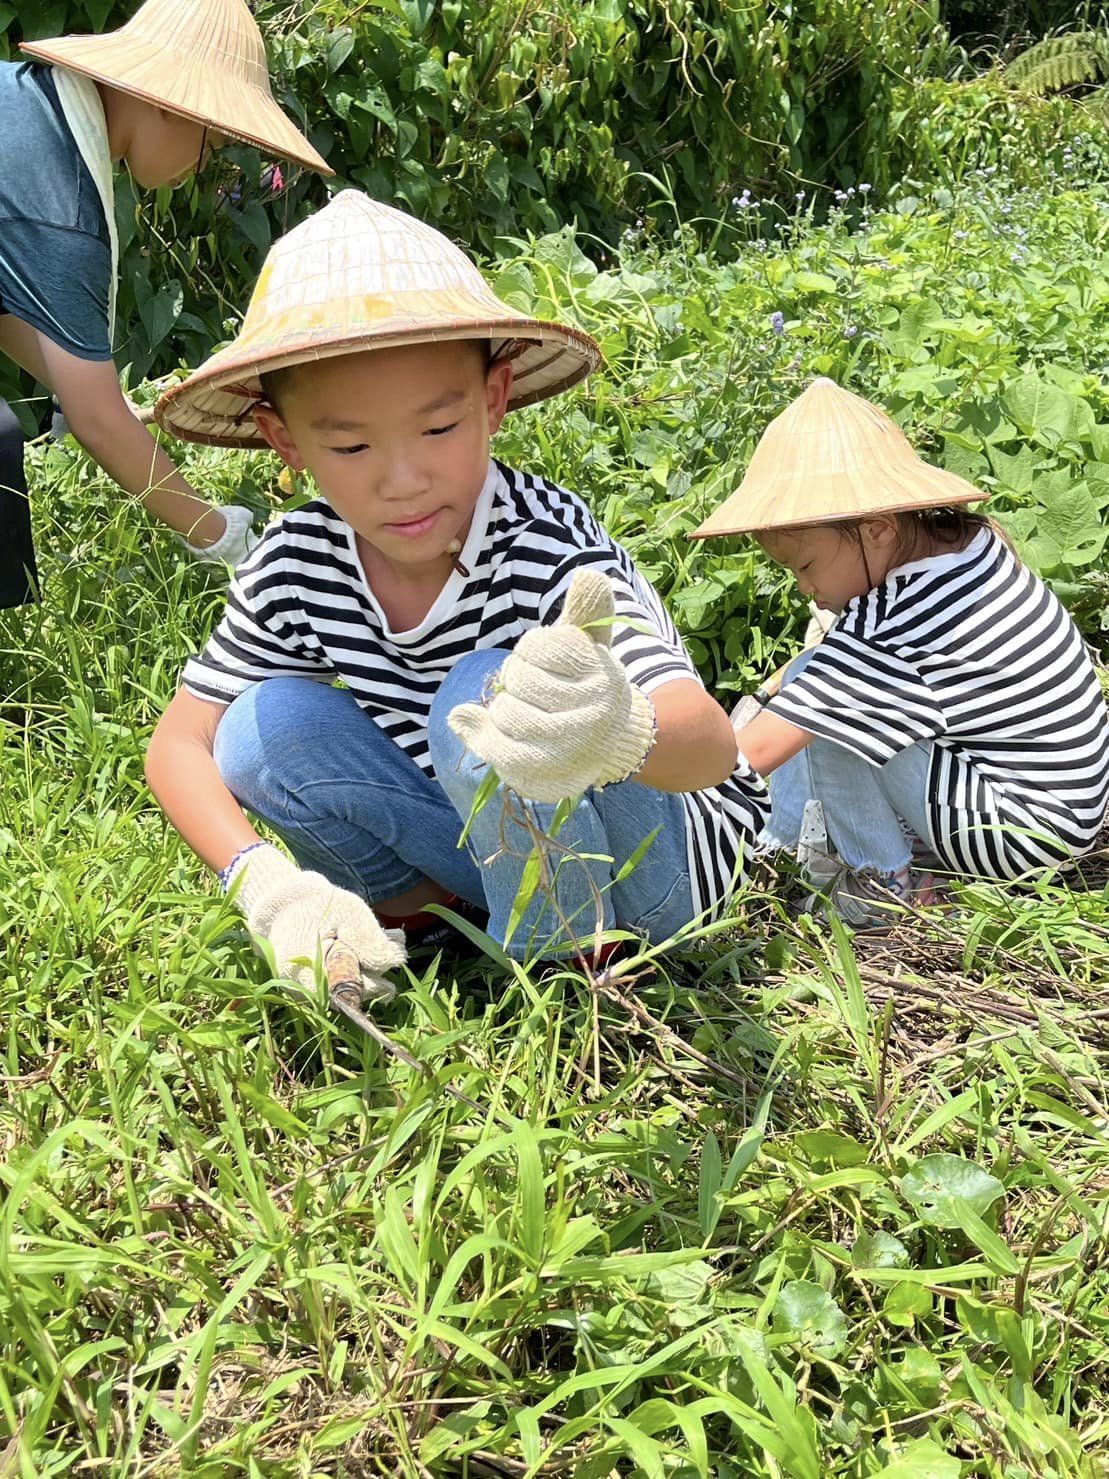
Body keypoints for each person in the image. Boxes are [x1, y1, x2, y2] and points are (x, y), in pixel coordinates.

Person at [144, 190, 769, 999]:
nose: (402, 481)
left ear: (493, 400)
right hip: (488, 843)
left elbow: (709, 747)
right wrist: (265, 883)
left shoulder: (543, 542)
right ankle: (421, 915)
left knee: (480, 689)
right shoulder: (298, 563)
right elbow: (178, 745)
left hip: (657, 871)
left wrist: (613, 729)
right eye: (352, 444)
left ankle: (570, 972)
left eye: (438, 430)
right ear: (285, 441)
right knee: (258, 730)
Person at [693, 377, 1109, 923]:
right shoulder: (965, 544)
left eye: (806, 566)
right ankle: (774, 845)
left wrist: (672, 776)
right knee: (817, 686)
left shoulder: (894, 621)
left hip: (1018, 836)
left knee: (825, 718)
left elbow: (750, 757)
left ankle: (879, 886)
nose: (803, 588)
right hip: (1063, 808)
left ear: (878, 531)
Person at [0, 0, 332, 607]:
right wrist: (222, 537)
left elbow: (9, 303)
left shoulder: (27, 106)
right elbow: (98, 425)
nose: (208, 160)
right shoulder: (61, 206)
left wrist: (81, 386)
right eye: (213, 133)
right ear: (163, 102)